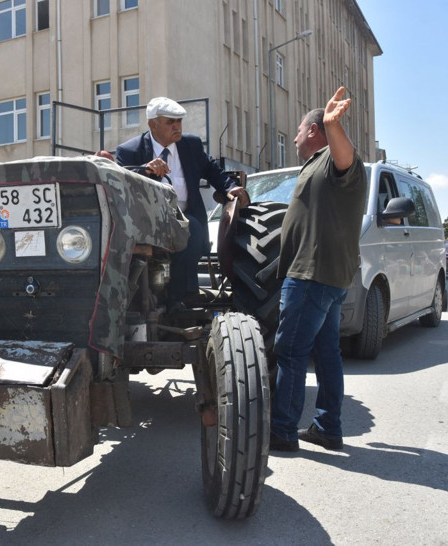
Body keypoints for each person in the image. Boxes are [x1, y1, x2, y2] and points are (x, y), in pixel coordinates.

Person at [268, 87, 367, 453]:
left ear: (312, 131)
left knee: (291, 351)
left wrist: (332, 124)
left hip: (313, 275)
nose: (294, 136)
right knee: (326, 354)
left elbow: (346, 157)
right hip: (324, 276)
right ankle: (327, 428)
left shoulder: (335, 159)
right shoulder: (313, 165)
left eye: (298, 129)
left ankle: (282, 430)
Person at [113, 97, 249, 307]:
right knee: (184, 229)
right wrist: (145, 169)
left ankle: (181, 297)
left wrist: (230, 188)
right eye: (170, 122)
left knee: (189, 227)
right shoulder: (130, 151)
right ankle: (157, 298)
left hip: (187, 217)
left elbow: (212, 169)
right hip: (147, 224)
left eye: (179, 121)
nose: (177, 127)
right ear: (152, 124)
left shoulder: (191, 145)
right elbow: (121, 182)